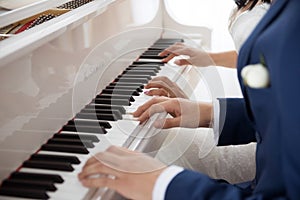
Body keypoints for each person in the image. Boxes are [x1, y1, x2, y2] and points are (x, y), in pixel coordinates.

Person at [78, 0, 300, 199]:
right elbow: (284, 110)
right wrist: (209, 114)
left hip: (268, 179)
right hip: (269, 163)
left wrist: (163, 184)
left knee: (166, 150)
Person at [144, 0, 270, 184]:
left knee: (168, 142)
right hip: (259, 122)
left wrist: (207, 112)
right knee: (167, 133)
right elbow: (258, 54)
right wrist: (208, 58)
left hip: (266, 145)